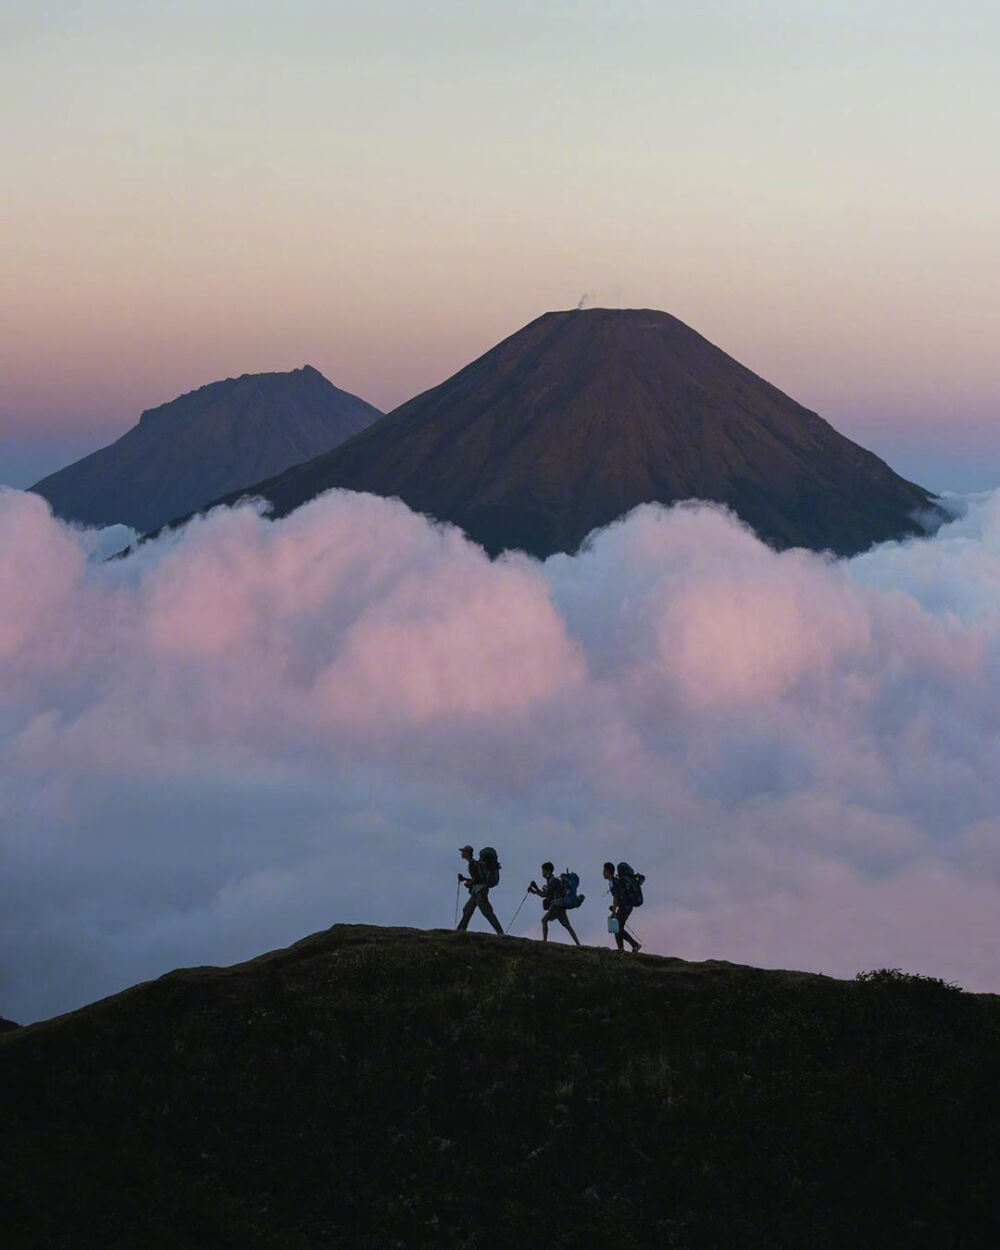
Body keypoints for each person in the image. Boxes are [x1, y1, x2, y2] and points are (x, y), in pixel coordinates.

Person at [527, 862, 581, 946]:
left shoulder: (553, 881)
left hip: (557, 906)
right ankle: (578, 944)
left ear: (548, 871)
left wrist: (535, 890)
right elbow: (547, 895)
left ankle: (544, 941)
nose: (542, 872)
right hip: (559, 906)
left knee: (544, 920)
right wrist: (535, 889)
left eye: (543, 870)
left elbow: (546, 895)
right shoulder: (552, 881)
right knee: (567, 926)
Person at [457, 845, 504, 935]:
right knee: (467, 909)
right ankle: (460, 931)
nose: (462, 853)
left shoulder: (472, 863)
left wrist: (469, 883)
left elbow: (478, 879)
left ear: (467, 853)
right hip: (477, 891)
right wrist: (465, 879)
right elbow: (478, 878)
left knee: (487, 912)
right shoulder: (475, 863)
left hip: (480, 891)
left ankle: (500, 933)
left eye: (463, 851)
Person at [603, 861, 641, 953]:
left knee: (618, 928)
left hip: (625, 907)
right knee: (618, 928)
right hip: (625, 907)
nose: (603, 873)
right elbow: (617, 896)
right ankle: (622, 948)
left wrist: (613, 911)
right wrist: (615, 908)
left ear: (608, 871)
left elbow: (616, 897)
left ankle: (633, 945)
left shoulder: (614, 881)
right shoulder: (614, 881)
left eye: (604, 870)